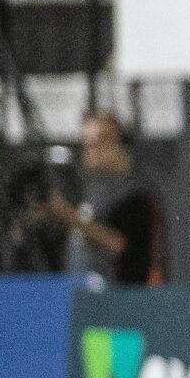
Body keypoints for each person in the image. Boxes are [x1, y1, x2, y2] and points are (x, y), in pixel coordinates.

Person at [39, 109, 160, 286]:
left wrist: (70, 216)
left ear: (119, 144)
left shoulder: (135, 193)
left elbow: (122, 246)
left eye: (100, 142)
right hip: (83, 294)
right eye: (87, 144)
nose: (91, 151)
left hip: (123, 296)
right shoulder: (88, 191)